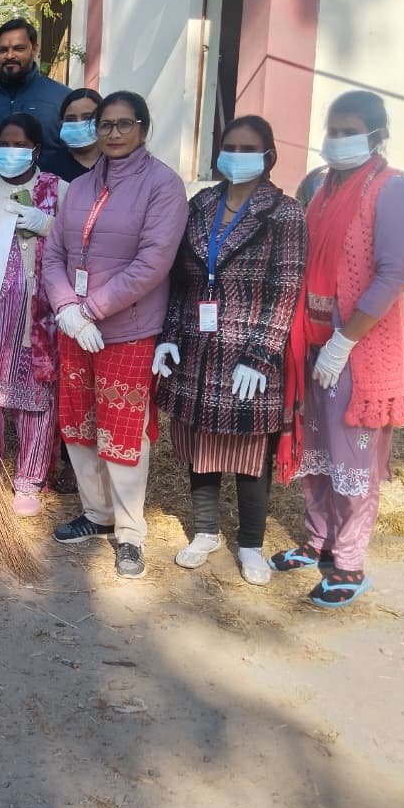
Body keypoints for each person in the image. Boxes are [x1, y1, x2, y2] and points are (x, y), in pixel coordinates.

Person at [270, 90, 404, 607]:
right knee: (317, 453)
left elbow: (391, 277)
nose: (336, 140)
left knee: (353, 461)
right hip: (313, 342)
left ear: (377, 135)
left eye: (348, 132)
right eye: (332, 131)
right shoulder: (322, 187)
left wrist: (344, 341)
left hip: (356, 349)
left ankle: (350, 562)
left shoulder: (395, 191)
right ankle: (318, 540)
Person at [154, 116, 307, 585]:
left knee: (248, 449)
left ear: (269, 157)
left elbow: (287, 288)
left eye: (247, 148)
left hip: (248, 348)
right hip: (196, 344)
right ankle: (205, 532)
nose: (236, 156)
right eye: (229, 147)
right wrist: (169, 334)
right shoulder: (201, 204)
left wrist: (261, 355)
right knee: (200, 441)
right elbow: (179, 278)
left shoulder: (285, 213)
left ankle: (251, 544)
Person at [41, 91, 188, 578]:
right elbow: (54, 253)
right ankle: (97, 513)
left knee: (122, 432)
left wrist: (89, 310)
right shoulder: (82, 186)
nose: (114, 133)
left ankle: (129, 532)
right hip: (74, 330)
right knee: (79, 424)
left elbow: (152, 264)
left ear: (143, 128)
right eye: (105, 124)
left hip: (127, 330)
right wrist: (66, 309)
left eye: (125, 124)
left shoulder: (163, 185)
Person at [0, 113, 66, 516]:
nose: (10, 151)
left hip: (38, 317)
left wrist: (47, 224)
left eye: (19, 145)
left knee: (35, 399)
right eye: (4, 143)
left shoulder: (59, 190)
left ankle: (28, 483)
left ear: (35, 150)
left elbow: (81, 241)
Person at [0, 18, 71, 187]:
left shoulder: (61, 100)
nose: (10, 55)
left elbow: (77, 157)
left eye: (19, 48)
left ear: (34, 49)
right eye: (3, 50)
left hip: (44, 200)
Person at [46, 88, 103, 184]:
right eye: (71, 119)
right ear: (62, 123)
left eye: (87, 117)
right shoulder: (50, 167)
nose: (79, 124)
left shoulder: (117, 161)